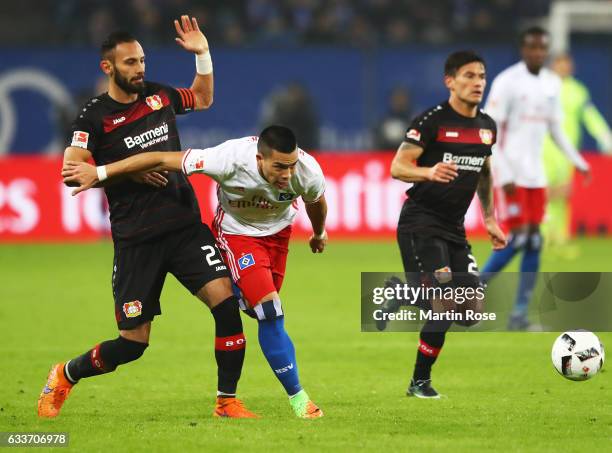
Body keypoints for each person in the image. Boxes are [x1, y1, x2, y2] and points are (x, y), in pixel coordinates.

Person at [38, 17, 258, 419]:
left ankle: (227, 401)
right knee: (133, 344)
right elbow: (73, 169)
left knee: (226, 305)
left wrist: (204, 55)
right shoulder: (93, 117)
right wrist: (131, 167)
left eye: (142, 60)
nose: (140, 69)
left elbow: (202, 98)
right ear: (108, 68)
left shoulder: (157, 96)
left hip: (185, 227)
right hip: (137, 239)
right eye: (130, 63)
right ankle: (66, 374)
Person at [62, 125, 328, 419]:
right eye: (279, 167)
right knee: (270, 311)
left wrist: (318, 233)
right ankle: (298, 398)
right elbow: (162, 159)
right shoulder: (227, 158)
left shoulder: (308, 171)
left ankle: (242, 291)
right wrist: (99, 173)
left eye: (290, 167)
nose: (287, 175)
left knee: (258, 310)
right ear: (259, 158)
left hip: (278, 237)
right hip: (237, 235)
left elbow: (314, 202)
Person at [387, 51, 506, 398]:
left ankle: (402, 293)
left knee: (470, 311)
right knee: (444, 303)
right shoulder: (431, 122)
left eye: (481, 76)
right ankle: (419, 382)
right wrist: (428, 171)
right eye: (468, 76)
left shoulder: (487, 127)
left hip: (454, 228)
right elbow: (398, 166)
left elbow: (484, 169)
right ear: (450, 81)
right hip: (421, 223)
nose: (477, 82)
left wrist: (489, 218)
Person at [481, 27, 591, 330]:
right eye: (532, 47)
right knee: (521, 238)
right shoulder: (507, 83)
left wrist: (578, 161)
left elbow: (556, 129)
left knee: (533, 241)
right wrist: (501, 172)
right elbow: (491, 132)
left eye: (542, 48)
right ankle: (470, 291)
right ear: (522, 49)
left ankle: (518, 315)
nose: (537, 53)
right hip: (511, 175)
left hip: (536, 176)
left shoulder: (551, 84)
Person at [542, 53, 612, 249]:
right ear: (552, 66)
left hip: (568, 149)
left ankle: (560, 238)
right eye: (560, 64)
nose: (564, 67)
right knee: (544, 191)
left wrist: (605, 137)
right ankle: (543, 237)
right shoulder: (542, 87)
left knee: (564, 192)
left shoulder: (578, 91)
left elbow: (590, 116)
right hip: (544, 147)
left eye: (567, 64)